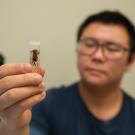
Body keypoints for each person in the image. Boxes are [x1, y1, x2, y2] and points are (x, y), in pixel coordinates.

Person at [0, 10, 135, 135]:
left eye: (112, 48)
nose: (97, 56)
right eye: (89, 44)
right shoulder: (45, 103)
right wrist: (13, 126)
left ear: (130, 60)